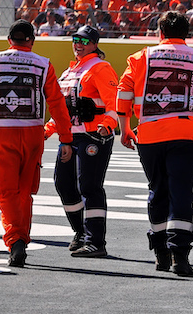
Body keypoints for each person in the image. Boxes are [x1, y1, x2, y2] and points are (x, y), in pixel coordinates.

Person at [116, 10, 193, 277]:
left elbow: (123, 95)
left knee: (157, 190)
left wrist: (124, 130)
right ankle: (180, 256)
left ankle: (161, 254)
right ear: (186, 34)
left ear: (160, 33)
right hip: (188, 134)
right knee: (182, 193)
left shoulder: (141, 57)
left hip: (150, 135)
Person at [0, 20, 73, 267]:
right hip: (32, 133)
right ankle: (20, 238)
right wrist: (66, 138)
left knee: (5, 190)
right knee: (25, 189)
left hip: (3, 131)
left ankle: (15, 239)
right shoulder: (43, 64)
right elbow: (58, 104)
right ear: (32, 41)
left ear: (9, 40)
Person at [48, 25, 119, 257]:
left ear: (95, 44)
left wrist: (107, 125)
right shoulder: (69, 72)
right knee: (63, 183)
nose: (78, 44)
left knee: (89, 186)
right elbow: (62, 110)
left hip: (94, 136)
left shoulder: (100, 68)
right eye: (75, 39)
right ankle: (80, 232)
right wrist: (48, 130)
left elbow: (114, 104)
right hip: (70, 137)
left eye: (84, 40)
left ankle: (96, 242)